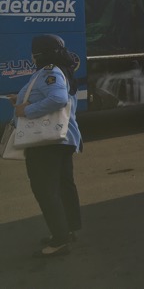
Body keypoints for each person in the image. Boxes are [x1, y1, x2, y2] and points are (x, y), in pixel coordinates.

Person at [10, 34, 82, 257]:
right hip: (61, 140)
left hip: (47, 142)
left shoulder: (50, 71)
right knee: (62, 186)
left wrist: (26, 110)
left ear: (40, 54)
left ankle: (60, 239)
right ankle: (67, 230)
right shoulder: (60, 70)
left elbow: (58, 99)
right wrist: (20, 101)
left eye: (34, 52)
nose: (32, 56)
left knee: (44, 189)